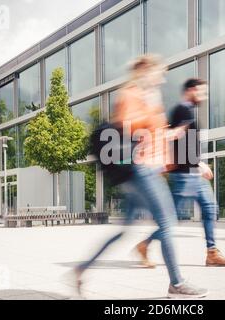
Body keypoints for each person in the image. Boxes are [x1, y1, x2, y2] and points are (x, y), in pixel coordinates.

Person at [75, 56, 208, 299]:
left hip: (145, 169)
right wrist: (150, 107)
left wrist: (172, 134)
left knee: (125, 230)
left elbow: (155, 135)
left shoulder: (144, 96)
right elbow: (130, 128)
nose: (163, 78)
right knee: (167, 222)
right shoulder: (132, 94)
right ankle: (177, 284)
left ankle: (81, 269)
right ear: (147, 71)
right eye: (161, 73)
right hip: (141, 169)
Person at [135, 78, 225, 268]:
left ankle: (212, 253)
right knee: (172, 219)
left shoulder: (187, 111)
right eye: (201, 92)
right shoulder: (182, 110)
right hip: (184, 174)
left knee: (210, 209)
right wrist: (199, 164)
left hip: (193, 174)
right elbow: (178, 142)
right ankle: (144, 244)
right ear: (191, 90)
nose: (204, 96)